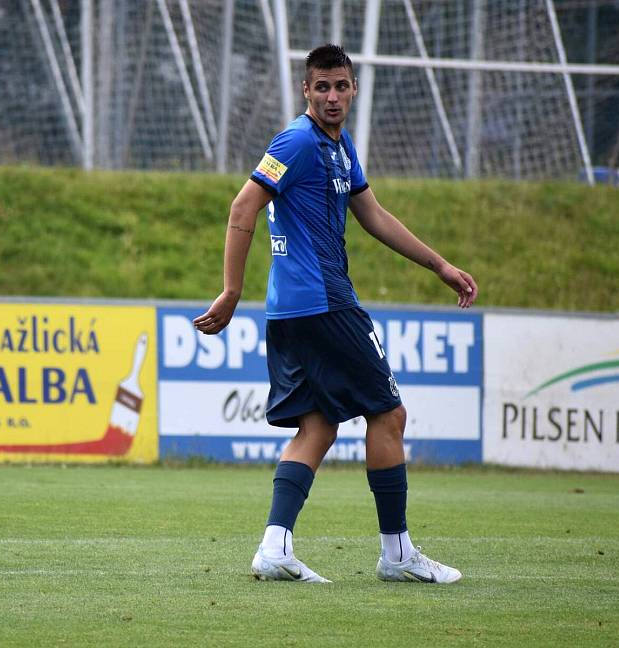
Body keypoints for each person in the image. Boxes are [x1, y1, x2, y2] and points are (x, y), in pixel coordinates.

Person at [193, 44, 478, 584]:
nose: (331, 96)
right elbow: (242, 205)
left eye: (340, 86)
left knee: (319, 425)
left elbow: (372, 214)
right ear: (306, 90)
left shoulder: (340, 147)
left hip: (295, 311)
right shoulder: (298, 141)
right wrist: (231, 291)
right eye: (320, 87)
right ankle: (397, 554)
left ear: (352, 89)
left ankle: (274, 547)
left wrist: (439, 265)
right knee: (389, 414)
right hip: (323, 303)